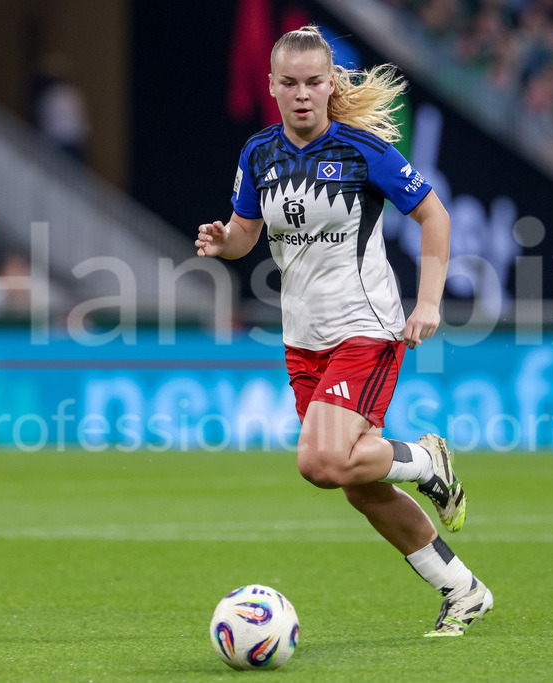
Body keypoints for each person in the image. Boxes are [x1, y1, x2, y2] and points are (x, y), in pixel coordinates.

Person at [196, 26, 492, 637]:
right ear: (271, 86)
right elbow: (246, 232)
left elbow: (434, 214)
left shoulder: (363, 151)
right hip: (303, 339)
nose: (302, 94)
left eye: (313, 82)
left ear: (331, 84)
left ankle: (424, 460)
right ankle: (463, 590)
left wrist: (428, 302)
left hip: (366, 328)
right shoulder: (258, 154)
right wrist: (226, 242)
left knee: (319, 461)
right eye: (290, 83)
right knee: (359, 485)